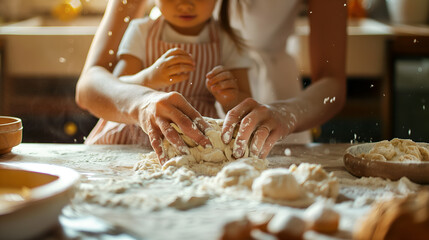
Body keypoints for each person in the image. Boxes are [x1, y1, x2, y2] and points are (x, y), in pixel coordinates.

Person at [76, 0, 346, 162]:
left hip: (275, 108)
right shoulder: (144, 33)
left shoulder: (226, 41)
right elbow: (91, 83)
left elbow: (332, 81)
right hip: (138, 127)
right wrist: (142, 99)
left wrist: (284, 112)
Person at [78, 0, 252, 163]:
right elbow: (118, 84)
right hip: (136, 130)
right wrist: (149, 78)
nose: (185, 5)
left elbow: (244, 105)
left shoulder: (227, 39)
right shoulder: (141, 30)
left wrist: (230, 97)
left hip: (195, 133)